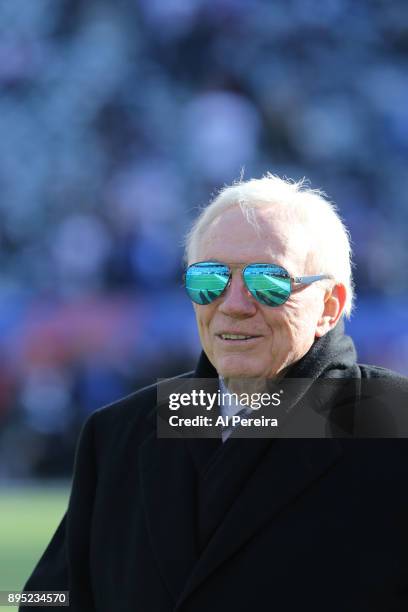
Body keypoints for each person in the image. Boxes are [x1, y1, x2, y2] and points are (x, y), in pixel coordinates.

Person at [22, 175, 408, 611]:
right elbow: (47, 597)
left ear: (330, 305)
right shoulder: (118, 435)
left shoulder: (392, 419)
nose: (234, 303)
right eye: (210, 278)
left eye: (269, 281)